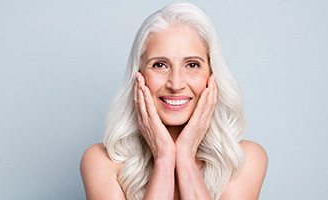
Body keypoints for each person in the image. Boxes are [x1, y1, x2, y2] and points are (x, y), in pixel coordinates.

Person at [80, 2, 268, 200]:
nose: (176, 83)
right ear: (139, 75)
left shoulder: (245, 160)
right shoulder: (101, 161)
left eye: (193, 64)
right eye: (160, 65)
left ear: (212, 76)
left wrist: (185, 156)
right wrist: (164, 157)